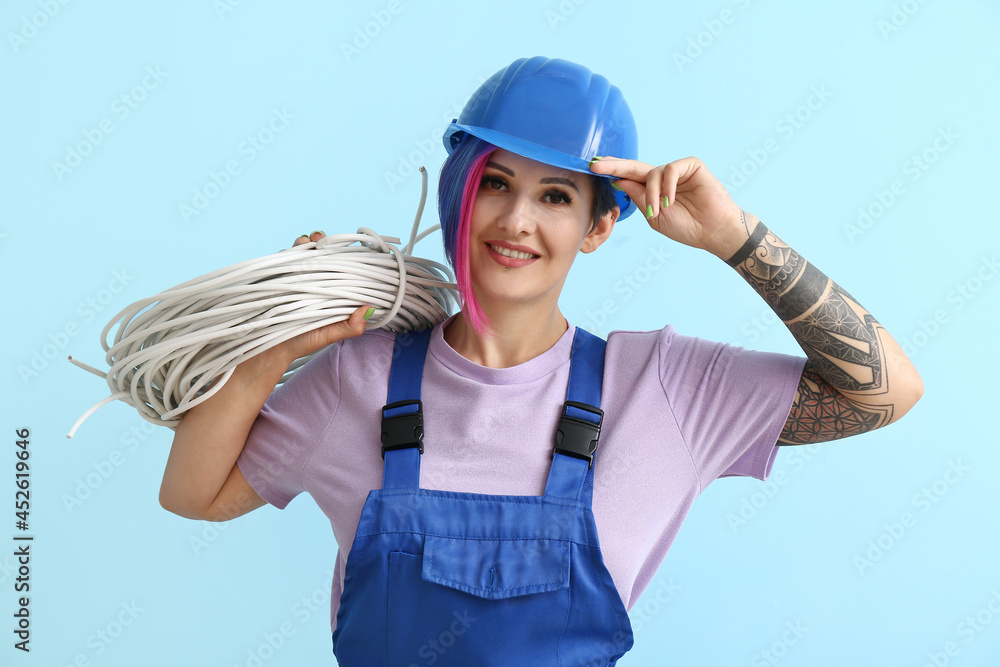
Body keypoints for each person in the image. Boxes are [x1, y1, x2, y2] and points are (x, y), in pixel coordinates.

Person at [159, 56, 923, 665]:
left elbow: (884, 392)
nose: (516, 220)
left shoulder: (664, 388)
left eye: (556, 196)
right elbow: (195, 492)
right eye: (496, 183)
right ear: (462, 192)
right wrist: (280, 340)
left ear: (598, 227)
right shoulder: (358, 375)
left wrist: (736, 237)